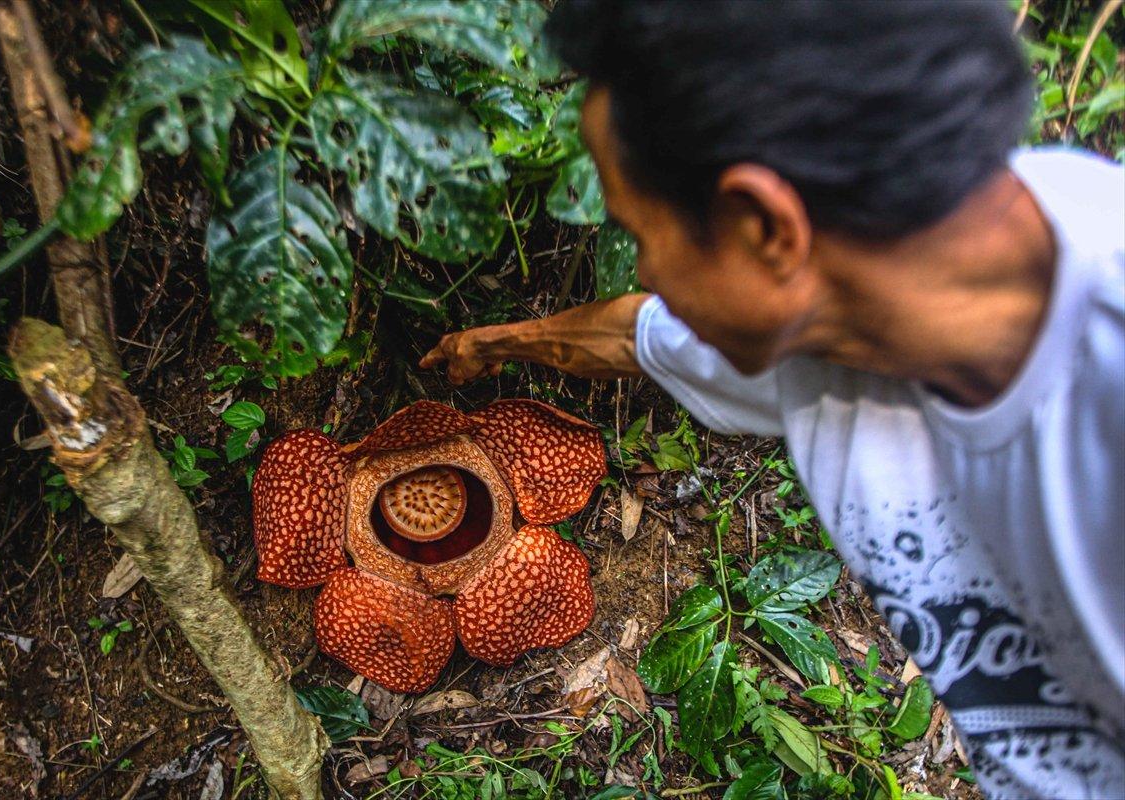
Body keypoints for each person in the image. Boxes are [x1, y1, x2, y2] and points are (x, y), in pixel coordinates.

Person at [420, 2, 1125, 798]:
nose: (645, 274)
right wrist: (491, 346)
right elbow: (634, 338)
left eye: (641, 234)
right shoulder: (845, 299)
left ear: (764, 227)